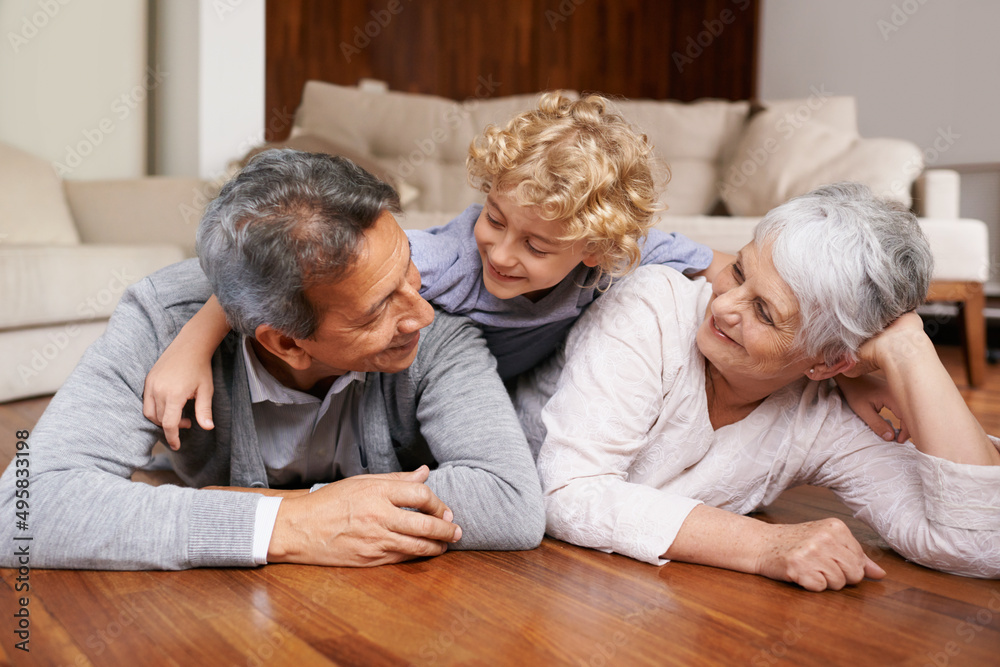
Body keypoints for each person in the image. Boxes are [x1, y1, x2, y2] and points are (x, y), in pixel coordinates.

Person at [0, 151, 545, 570]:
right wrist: (293, 522)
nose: (421, 312)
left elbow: (510, 501)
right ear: (284, 341)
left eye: (408, 266)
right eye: (379, 308)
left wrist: (250, 504)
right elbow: (24, 509)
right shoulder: (164, 320)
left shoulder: (439, 325)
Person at [142, 93, 733, 449]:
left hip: (523, 398)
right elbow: (269, 276)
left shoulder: (619, 254)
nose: (500, 254)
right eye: (494, 218)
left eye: (535, 245)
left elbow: (725, 267)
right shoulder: (443, 261)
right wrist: (189, 349)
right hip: (420, 399)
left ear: (595, 252)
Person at [517, 183, 1000, 591]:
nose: (724, 307)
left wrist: (909, 350)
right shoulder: (652, 305)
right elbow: (569, 494)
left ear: (831, 362)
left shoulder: (822, 416)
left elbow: (977, 539)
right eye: (739, 271)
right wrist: (765, 545)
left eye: (765, 313)